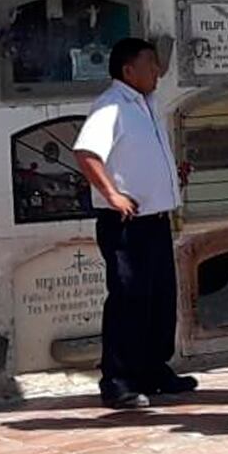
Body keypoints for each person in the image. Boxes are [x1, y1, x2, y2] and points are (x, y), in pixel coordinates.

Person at [73, 38, 198, 410]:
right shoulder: (111, 105)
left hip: (155, 219)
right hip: (127, 222)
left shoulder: (147, 104)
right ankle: (118, 380)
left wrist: (171, 177)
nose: (157, 71)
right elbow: (86, 152)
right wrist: (112, 194)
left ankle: (153, 369)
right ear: (128, 70)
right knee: (129, 299)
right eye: (150, 64)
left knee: (159, 298)